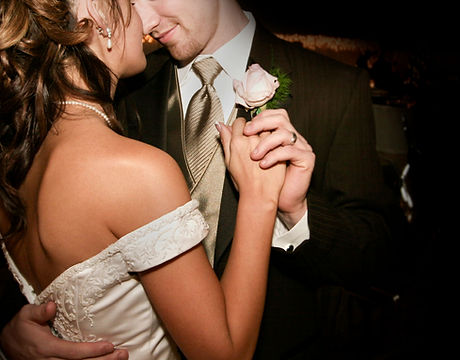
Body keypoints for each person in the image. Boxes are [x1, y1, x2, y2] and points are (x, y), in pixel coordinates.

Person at [1, 0, 395, 358]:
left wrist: (297, 212)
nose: (146, 21)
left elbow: (378, 259)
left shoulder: (335, 88)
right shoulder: (120, 88)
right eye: (132, 1)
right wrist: (13, 333)